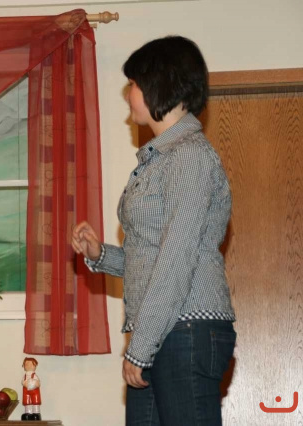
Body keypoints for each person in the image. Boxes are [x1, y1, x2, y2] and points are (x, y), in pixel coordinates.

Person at [72, 36, 236, 426]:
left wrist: (141, 346)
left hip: (186, 327)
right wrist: (99, 255)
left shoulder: (189, 156)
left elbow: (176, 258)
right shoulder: (162, 158)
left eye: (133, 84)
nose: (128, 95)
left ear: (157, 85)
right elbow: (152, 256)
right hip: (168, 329)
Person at [21, 357, 41, 421]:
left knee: (35, 402)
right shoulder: (25, 376)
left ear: (35, 366)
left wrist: (36, 383)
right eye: (27, 364)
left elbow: (38, 382)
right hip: (26, 391)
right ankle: (28, 413)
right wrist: (24, 383)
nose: (29, 366)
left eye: (31, 364)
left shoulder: (34, 375)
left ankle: (36, 413)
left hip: (34, 391)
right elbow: (22, 381)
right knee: (27, 402)